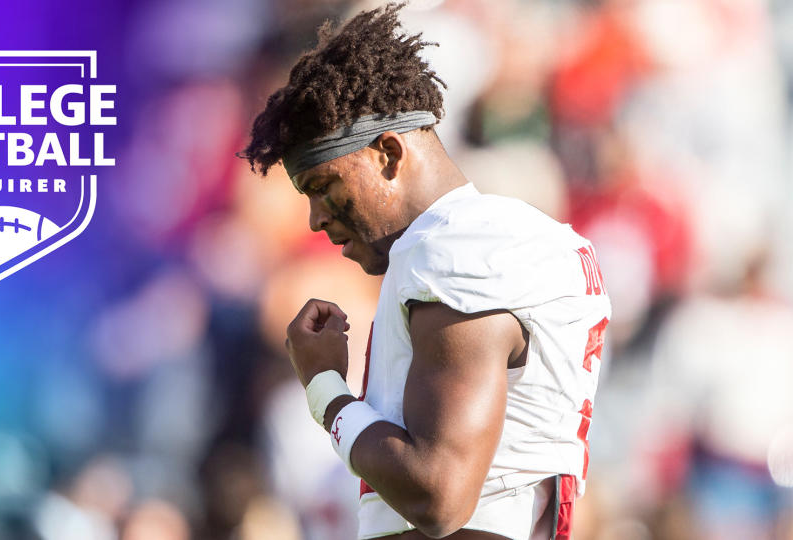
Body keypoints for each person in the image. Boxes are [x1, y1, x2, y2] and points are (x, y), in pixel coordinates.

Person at [238, 4, 611, 539]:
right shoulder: (518, 237)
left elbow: (438, 496)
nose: (316, 219)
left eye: (323, 186)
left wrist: (326, 390)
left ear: (389, 152)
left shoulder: (452, 249)